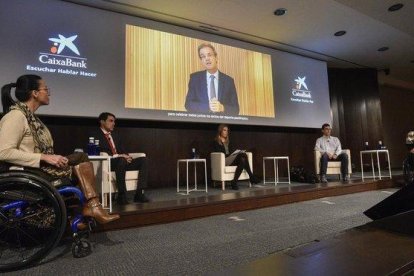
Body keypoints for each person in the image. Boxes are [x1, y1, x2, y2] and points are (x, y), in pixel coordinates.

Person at [0, 74, 119, 225]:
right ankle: (90, 207)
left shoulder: (32, 118)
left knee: (80, 157)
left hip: (39, 167)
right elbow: (3, 152)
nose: (48, 93)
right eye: (45, 89)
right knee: (78, 166)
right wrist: (44, 157)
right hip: (28, 171)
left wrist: (52, 157)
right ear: (34, 93)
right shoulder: (15, 116)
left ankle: (88, 208)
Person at [92, 112, 149, 205]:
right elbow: (100, 152)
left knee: (143, 160)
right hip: (108, 163)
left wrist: (127, 157)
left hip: (121, 162)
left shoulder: (115, 135)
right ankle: (121, 195)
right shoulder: (95, 135)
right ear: (102, 122)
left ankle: (139, 194)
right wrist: (120, 156)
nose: (113, 123)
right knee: (121, 160)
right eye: (111, 121)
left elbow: (122, 150)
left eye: (114, 121)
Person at [185, 43, 239, 115]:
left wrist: (222, 108)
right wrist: (207, 107)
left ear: (216, 57)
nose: (207, 59)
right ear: (201, 61)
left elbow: (236, 109)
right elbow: (188, 104)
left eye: (209, 55)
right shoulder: (195, 78)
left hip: (221, 124)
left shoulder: (229, 81)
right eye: (203, 56)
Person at [212, 124, 260, 190]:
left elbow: (231, 152)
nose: (226, 132)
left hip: (231, 159)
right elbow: (219, 153)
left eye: (227, 130)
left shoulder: (229, 142)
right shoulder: (216, 142)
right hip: (223, 160)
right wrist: (231, 155)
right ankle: (251, 176)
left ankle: (234, 181)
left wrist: (234, 154)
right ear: (220, 131)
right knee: (243, 155)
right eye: (224, 130)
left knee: (243, 159)